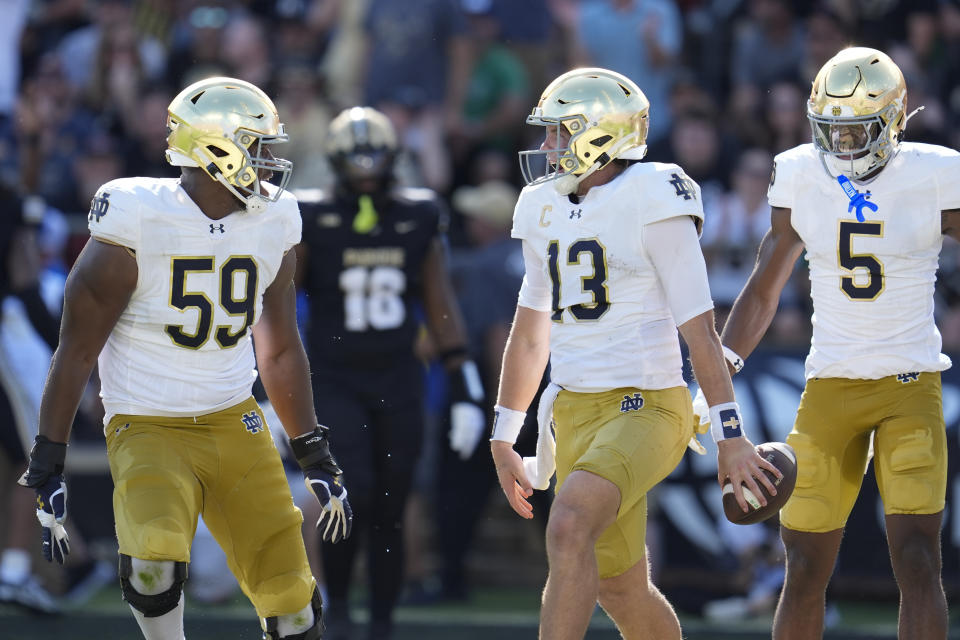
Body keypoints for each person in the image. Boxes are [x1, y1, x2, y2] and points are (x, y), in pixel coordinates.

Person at [17, 76, 353, 640]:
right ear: (218, 148)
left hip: (234, 420)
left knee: (294, 607)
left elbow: (279, 347)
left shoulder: (274, 219)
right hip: (147, 424)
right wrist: (49, 456)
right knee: (152, 563)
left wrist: (312, 448)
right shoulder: (137, 218)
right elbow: (75, 350)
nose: (268, 163)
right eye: (257, 146)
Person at [490, 67, 778, 640]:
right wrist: (504, 432)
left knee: (569, 525)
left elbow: (700, 330)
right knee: (621, 587)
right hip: (572, 409)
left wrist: (729, 434)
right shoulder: (542, 206)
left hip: (646, 405)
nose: (547, 148)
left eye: (558, 133)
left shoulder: (653, 194)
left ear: (600, 135)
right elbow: (530, 331)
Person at [711, 47, 960, 639]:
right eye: (833, 129)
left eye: (858, 130)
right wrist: (717, 374)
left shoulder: (937, 171)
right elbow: (765, 285)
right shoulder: (799, 170)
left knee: (919, 558)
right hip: (830, 386)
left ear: (894, 120)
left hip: (910, 384)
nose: (843, 145)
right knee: (801, 566)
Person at [294, 106, 485, 640]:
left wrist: (465, 382)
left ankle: (381, 623)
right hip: (334, 378)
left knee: (391, 504)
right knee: (345, 492)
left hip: (398, 377)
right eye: (356, 159)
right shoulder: (313, 215)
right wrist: (267, 378)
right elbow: (280, 305)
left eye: (373, 157)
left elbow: (438, 300)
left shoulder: (417, 213)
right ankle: (341, 616)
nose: (365, 169)